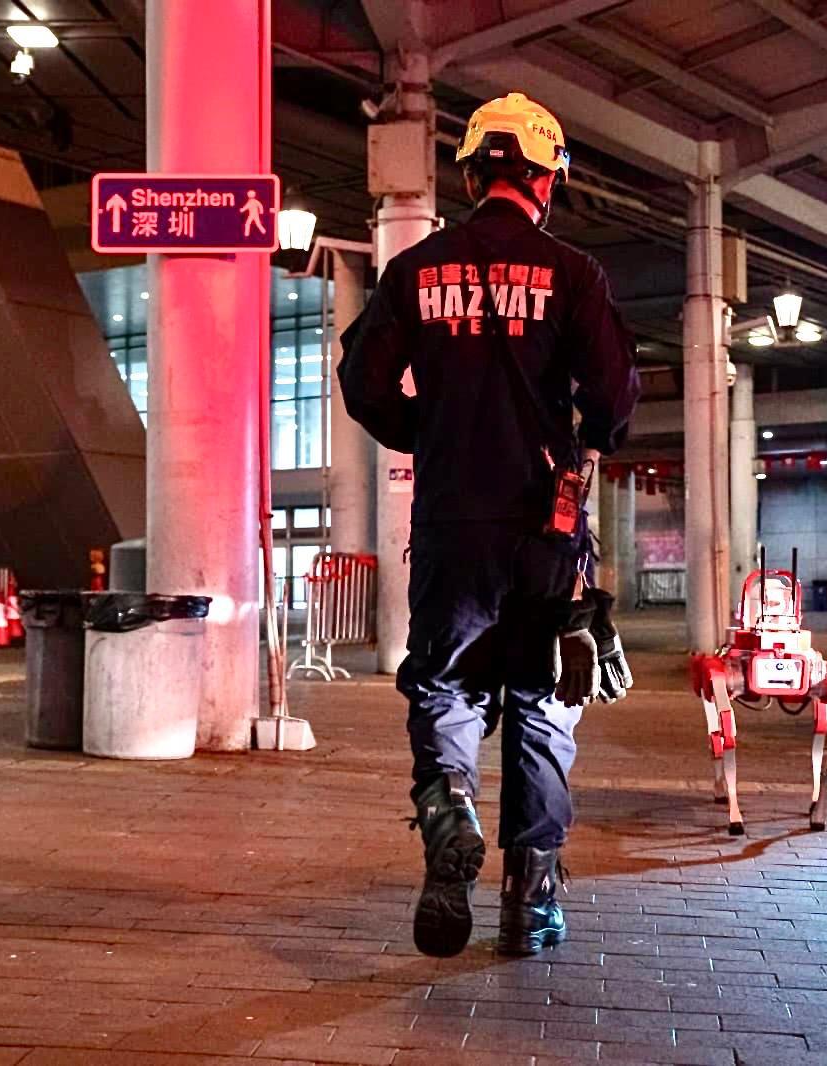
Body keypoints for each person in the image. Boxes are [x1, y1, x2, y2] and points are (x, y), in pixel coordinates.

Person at [338, 92, 640, 958]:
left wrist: (427, 431)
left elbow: (362, 382)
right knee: (543, 702)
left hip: (450, 523)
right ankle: (529, 902)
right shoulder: (574, 273)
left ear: (471, 176)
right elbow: (614, 396)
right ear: (547, 179)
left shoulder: (415, 270)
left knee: (447, 685)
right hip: (545, 527)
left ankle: (450, 812)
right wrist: (588, 434)